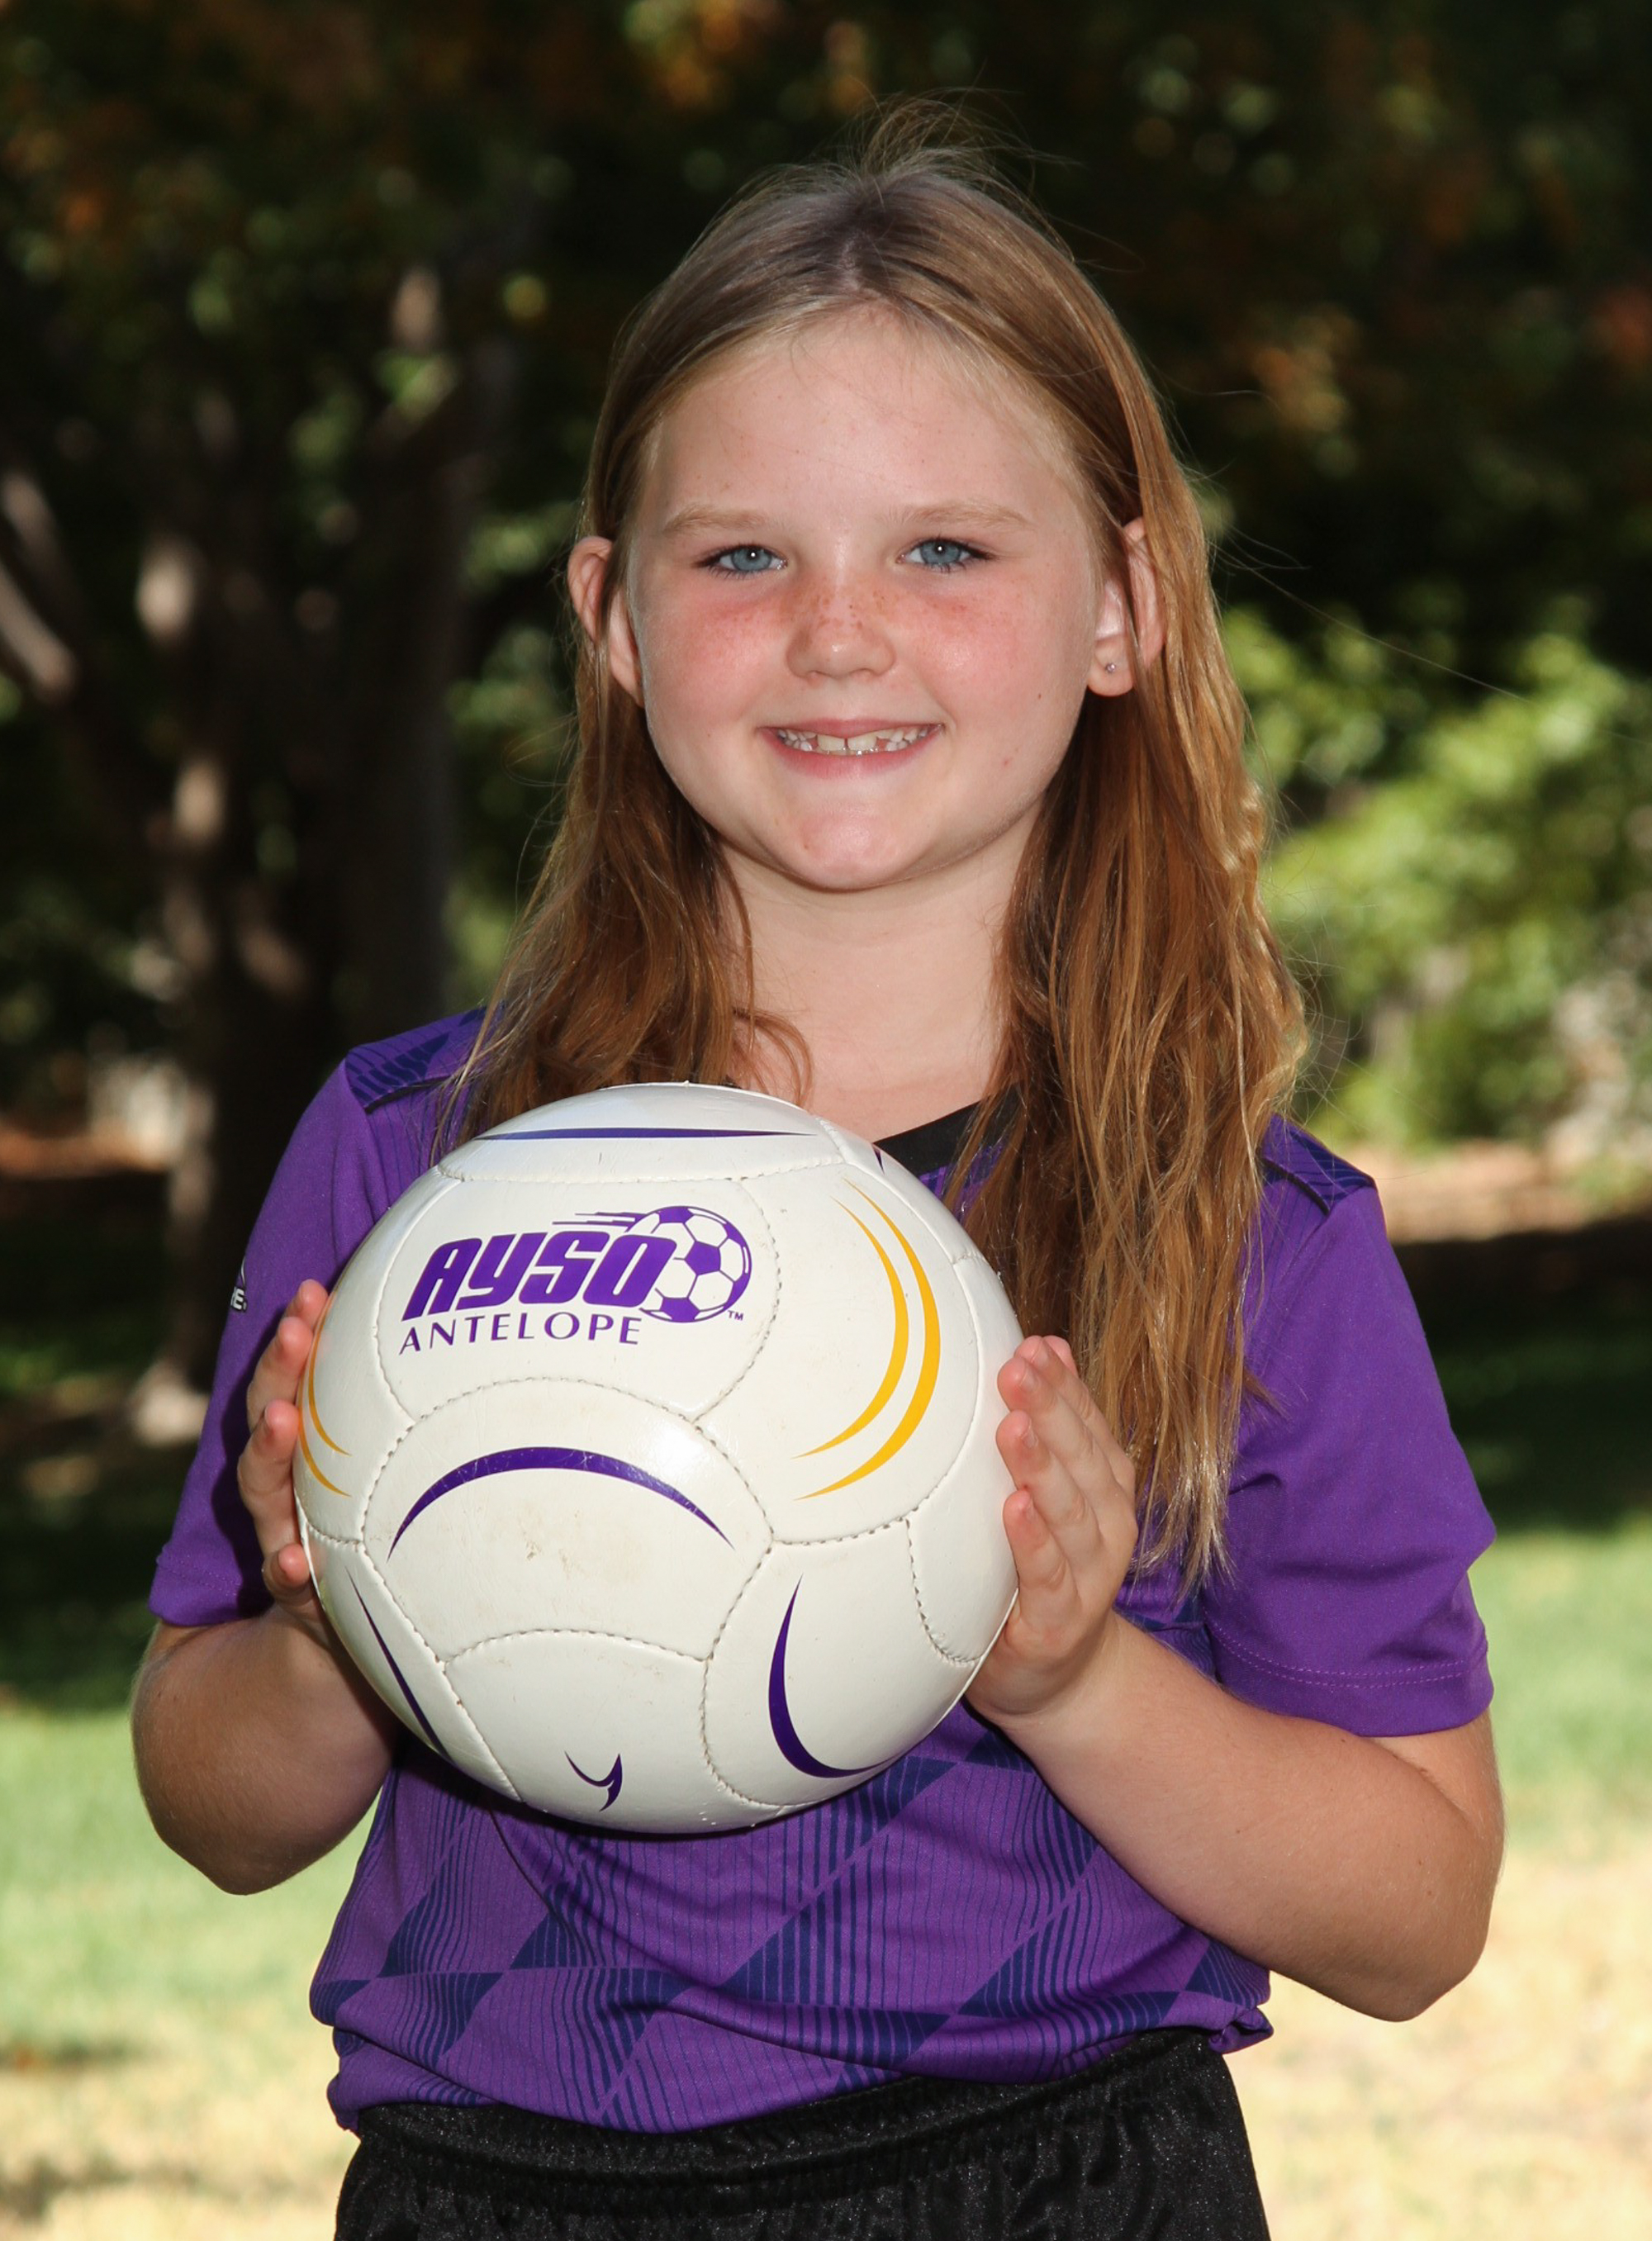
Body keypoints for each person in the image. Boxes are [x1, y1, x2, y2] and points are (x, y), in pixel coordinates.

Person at [132, 110, 1502, 2240]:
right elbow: (213, 1806)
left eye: (945, 551)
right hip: (495, 2190)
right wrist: (335, 1625)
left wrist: (1077, 1680)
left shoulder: (1246, 1231)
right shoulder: (424, 1165)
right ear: (611, 617)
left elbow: (1416, 1917)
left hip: (1052, 2186)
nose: (840, 633)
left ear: (1124, 606)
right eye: (742, 558)